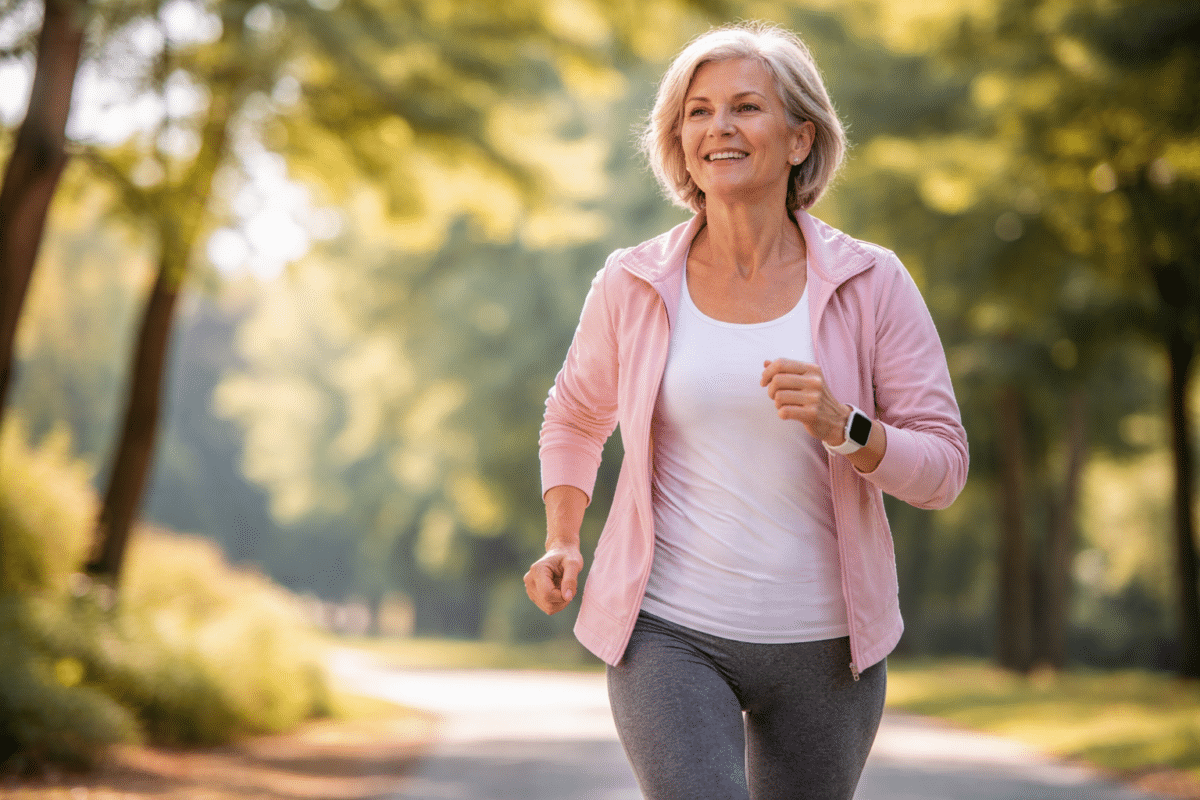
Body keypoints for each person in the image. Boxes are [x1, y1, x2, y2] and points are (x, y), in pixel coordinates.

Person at [524, 21, 968, 800]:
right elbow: (574, 415)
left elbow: (944, 469)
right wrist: (564, 535)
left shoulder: (872, 282)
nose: (718, 128)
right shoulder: (633, 283)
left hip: (828, 647)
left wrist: (849, 429)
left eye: (745, 108)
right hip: (669, 631)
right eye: (697, 111)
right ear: (677, 138)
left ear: (800, 139)